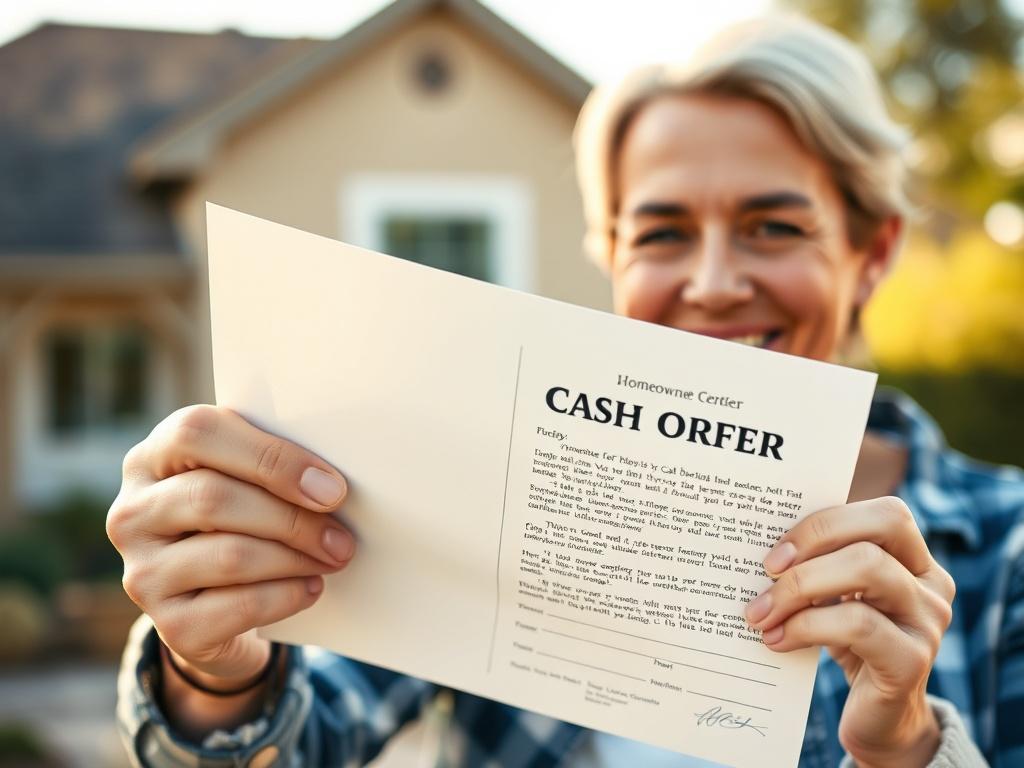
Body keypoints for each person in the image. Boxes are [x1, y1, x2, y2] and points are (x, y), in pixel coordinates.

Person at [108, 14, 1023, 768]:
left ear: (873, 253)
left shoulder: (1007, 550)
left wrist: (910, 749)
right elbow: (306, 737)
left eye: (772, 225)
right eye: (662, 233)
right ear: (611, 256)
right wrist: (213, 667)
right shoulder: (492, 477)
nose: (711, 282)